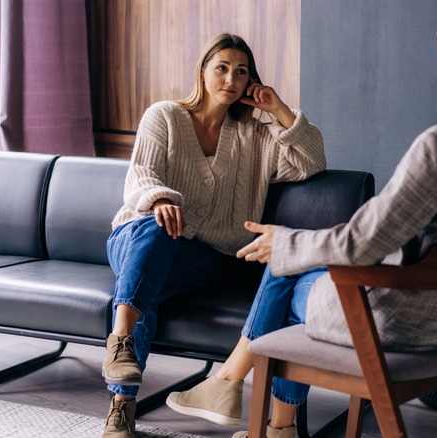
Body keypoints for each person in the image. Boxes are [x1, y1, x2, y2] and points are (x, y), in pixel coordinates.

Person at [165, 1, 437, 437]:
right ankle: (256, 408)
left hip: (394, 321)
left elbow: (362, 243)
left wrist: (285, 243)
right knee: (294, 256)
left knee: (284, 268)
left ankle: (235, 390)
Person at [102, 33, 326, 438]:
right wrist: (160, 200)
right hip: (137, 235)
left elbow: (310, 162)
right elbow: (140, 177)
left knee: (146, 285)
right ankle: (121, 351)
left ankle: (122, 403)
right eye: (221, 67)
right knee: (156, 235)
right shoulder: (164, 115)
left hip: (203, 256)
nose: (231, 78)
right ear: (202, 73)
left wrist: (279, 110)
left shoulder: (256, 137)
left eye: (241, 71)